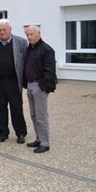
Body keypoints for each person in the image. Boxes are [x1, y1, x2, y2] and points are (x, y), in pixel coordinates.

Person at [0, 19, 28, 144]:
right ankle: (3, 133)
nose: (2, 32)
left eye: (4, 29)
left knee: (16, 108)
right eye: (0, 30)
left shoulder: (21, 42)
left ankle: (21, 133)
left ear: (10, 29)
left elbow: (26, 62)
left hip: (13, 82)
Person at [23, 25, 57, 153]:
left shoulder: (47, 50)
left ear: (39, 33)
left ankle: (45, 143)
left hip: (39, 85)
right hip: (30, 84)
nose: (29, 37)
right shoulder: (29, 49)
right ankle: (38, 138)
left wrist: (42, 87)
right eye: (27, 35)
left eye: (31, 34)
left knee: (41, 115)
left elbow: (50, 71)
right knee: (33, 114)